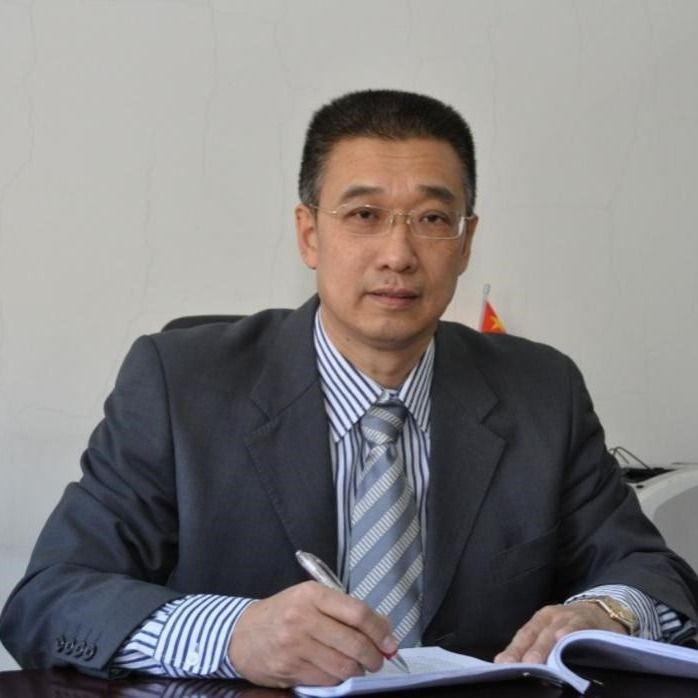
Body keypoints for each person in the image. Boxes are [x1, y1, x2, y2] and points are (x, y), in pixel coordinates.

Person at [1, 89, 697, 689]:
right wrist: (233, 635)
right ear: (309, 234)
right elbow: (50, 599)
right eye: (364, 215)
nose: (398, 254)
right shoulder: (180, 385)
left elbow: (652, 573)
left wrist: (605, 612)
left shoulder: (542, 391)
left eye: (432, 219)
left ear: (465, 242)